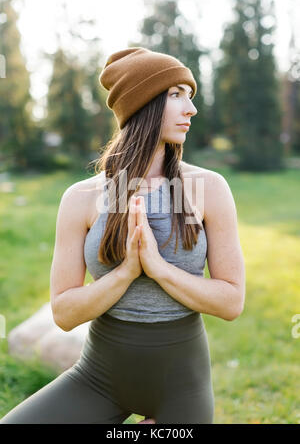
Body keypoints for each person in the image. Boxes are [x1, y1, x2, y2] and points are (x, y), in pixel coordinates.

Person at [0, 47, 245, 424]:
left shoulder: (208, 188)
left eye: (190, 96)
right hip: (97, 379)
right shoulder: (82, 198)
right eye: (176, 95)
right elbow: (64, 314)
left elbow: (231, 302)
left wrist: (159, 269)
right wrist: (126, 271)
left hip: (181, 388)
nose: (191, 109)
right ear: (141, 106)